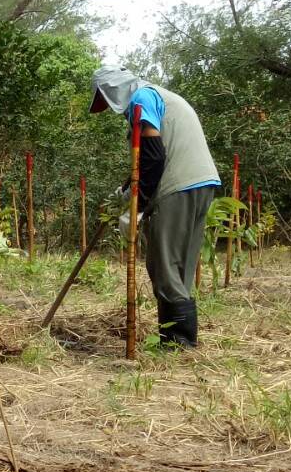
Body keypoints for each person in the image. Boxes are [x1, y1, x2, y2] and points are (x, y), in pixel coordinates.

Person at [90, 68, 219, 347]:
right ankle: (181, 343)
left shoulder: (141, 98)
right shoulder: (159, 95)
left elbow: (154, 156)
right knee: (180, 268)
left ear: (113, 90)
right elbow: (151, 156)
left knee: (164, 266)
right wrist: (126, 190)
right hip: (201, 183)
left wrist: (137, 207)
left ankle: (177, 343)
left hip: (176, 186)